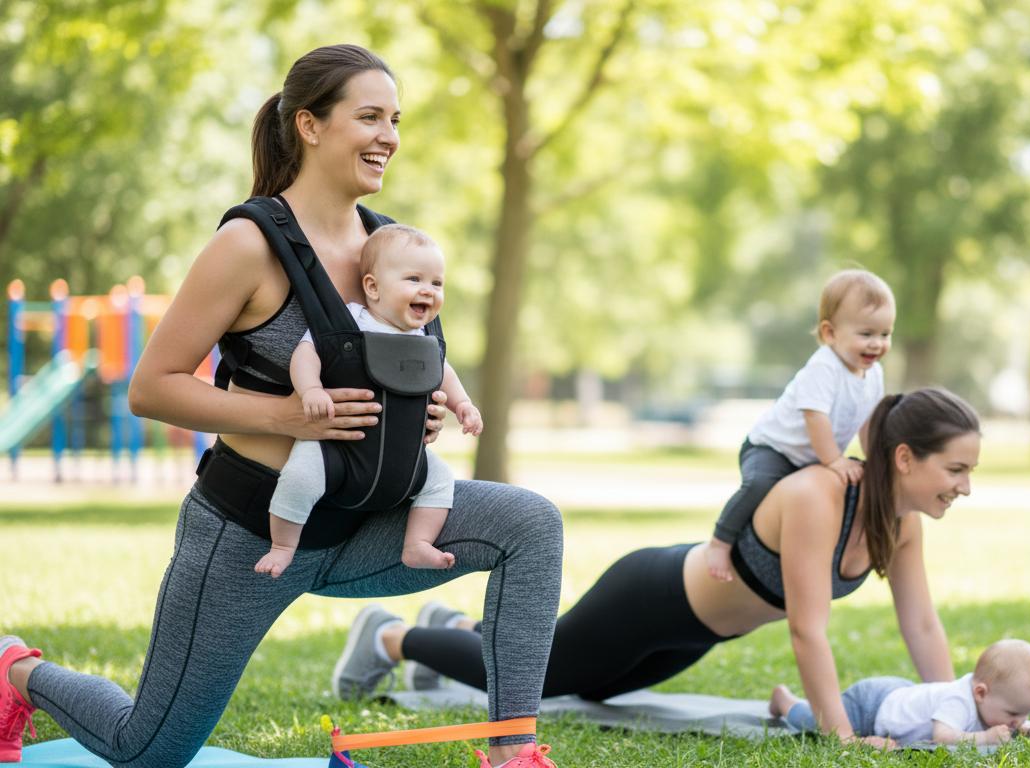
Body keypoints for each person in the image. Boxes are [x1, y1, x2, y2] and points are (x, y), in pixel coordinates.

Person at [0, 45, 562, 768]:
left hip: (369, 525)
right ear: (310, 125)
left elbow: (413, 368)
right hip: (250, 534)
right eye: (370, 116)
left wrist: (425, 415)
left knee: (531, 524)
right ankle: (17, 671)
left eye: (396, 119)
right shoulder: (249, 245)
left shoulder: (394, 250)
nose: (389, 136)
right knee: (150, 752)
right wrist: (286, 418)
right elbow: (152, 386)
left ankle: (514, 753)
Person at [333, 387, 979, 752]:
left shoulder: (899, 525)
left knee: (591, 692)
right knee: (547, 680)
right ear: (903, 458)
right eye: (956, 469)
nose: (965, 487)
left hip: (695, 635)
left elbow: (920, 623)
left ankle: (457, 627)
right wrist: (840, 738)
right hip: (652, 598)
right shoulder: (820, 496)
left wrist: (958, 710)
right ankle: (389, 636)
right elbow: (807, 631)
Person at [255, 223, 483, 579]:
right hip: (338, 451)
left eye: (437, 283)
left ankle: (417, 543)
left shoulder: (424, 337)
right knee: (300, 476)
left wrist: (463, 404)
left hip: (402, 456)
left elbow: (443, 371)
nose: (428, 290)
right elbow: (308, 351)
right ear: (373, 287)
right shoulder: (353, 321)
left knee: (441, 479)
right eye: (414, 279)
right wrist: (311, 390)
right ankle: (283, 546)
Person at [705, 269, 894, 582]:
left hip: (811, 458)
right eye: (866, 334)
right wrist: (834, 460)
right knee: (759, 485)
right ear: (830, 333)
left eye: (885, 334)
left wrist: (874, 457)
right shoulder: (824, 367)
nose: (877, 344)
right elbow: (814, 417)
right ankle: (720, 541)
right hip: (772, 449)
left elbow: (869, 421)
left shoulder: (874, 374)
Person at [769, 638, 1030, 747]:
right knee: (817, 722)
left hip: (899, 694)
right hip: (870, 706)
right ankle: (785, 700)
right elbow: (943, 736)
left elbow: (1008, 718)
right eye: (1014, 714)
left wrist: (1025, 727)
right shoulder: (959, 701)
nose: (1018, 721)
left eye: (1026, 714)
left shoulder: (992, 702)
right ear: (980, 693)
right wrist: (985, 738)